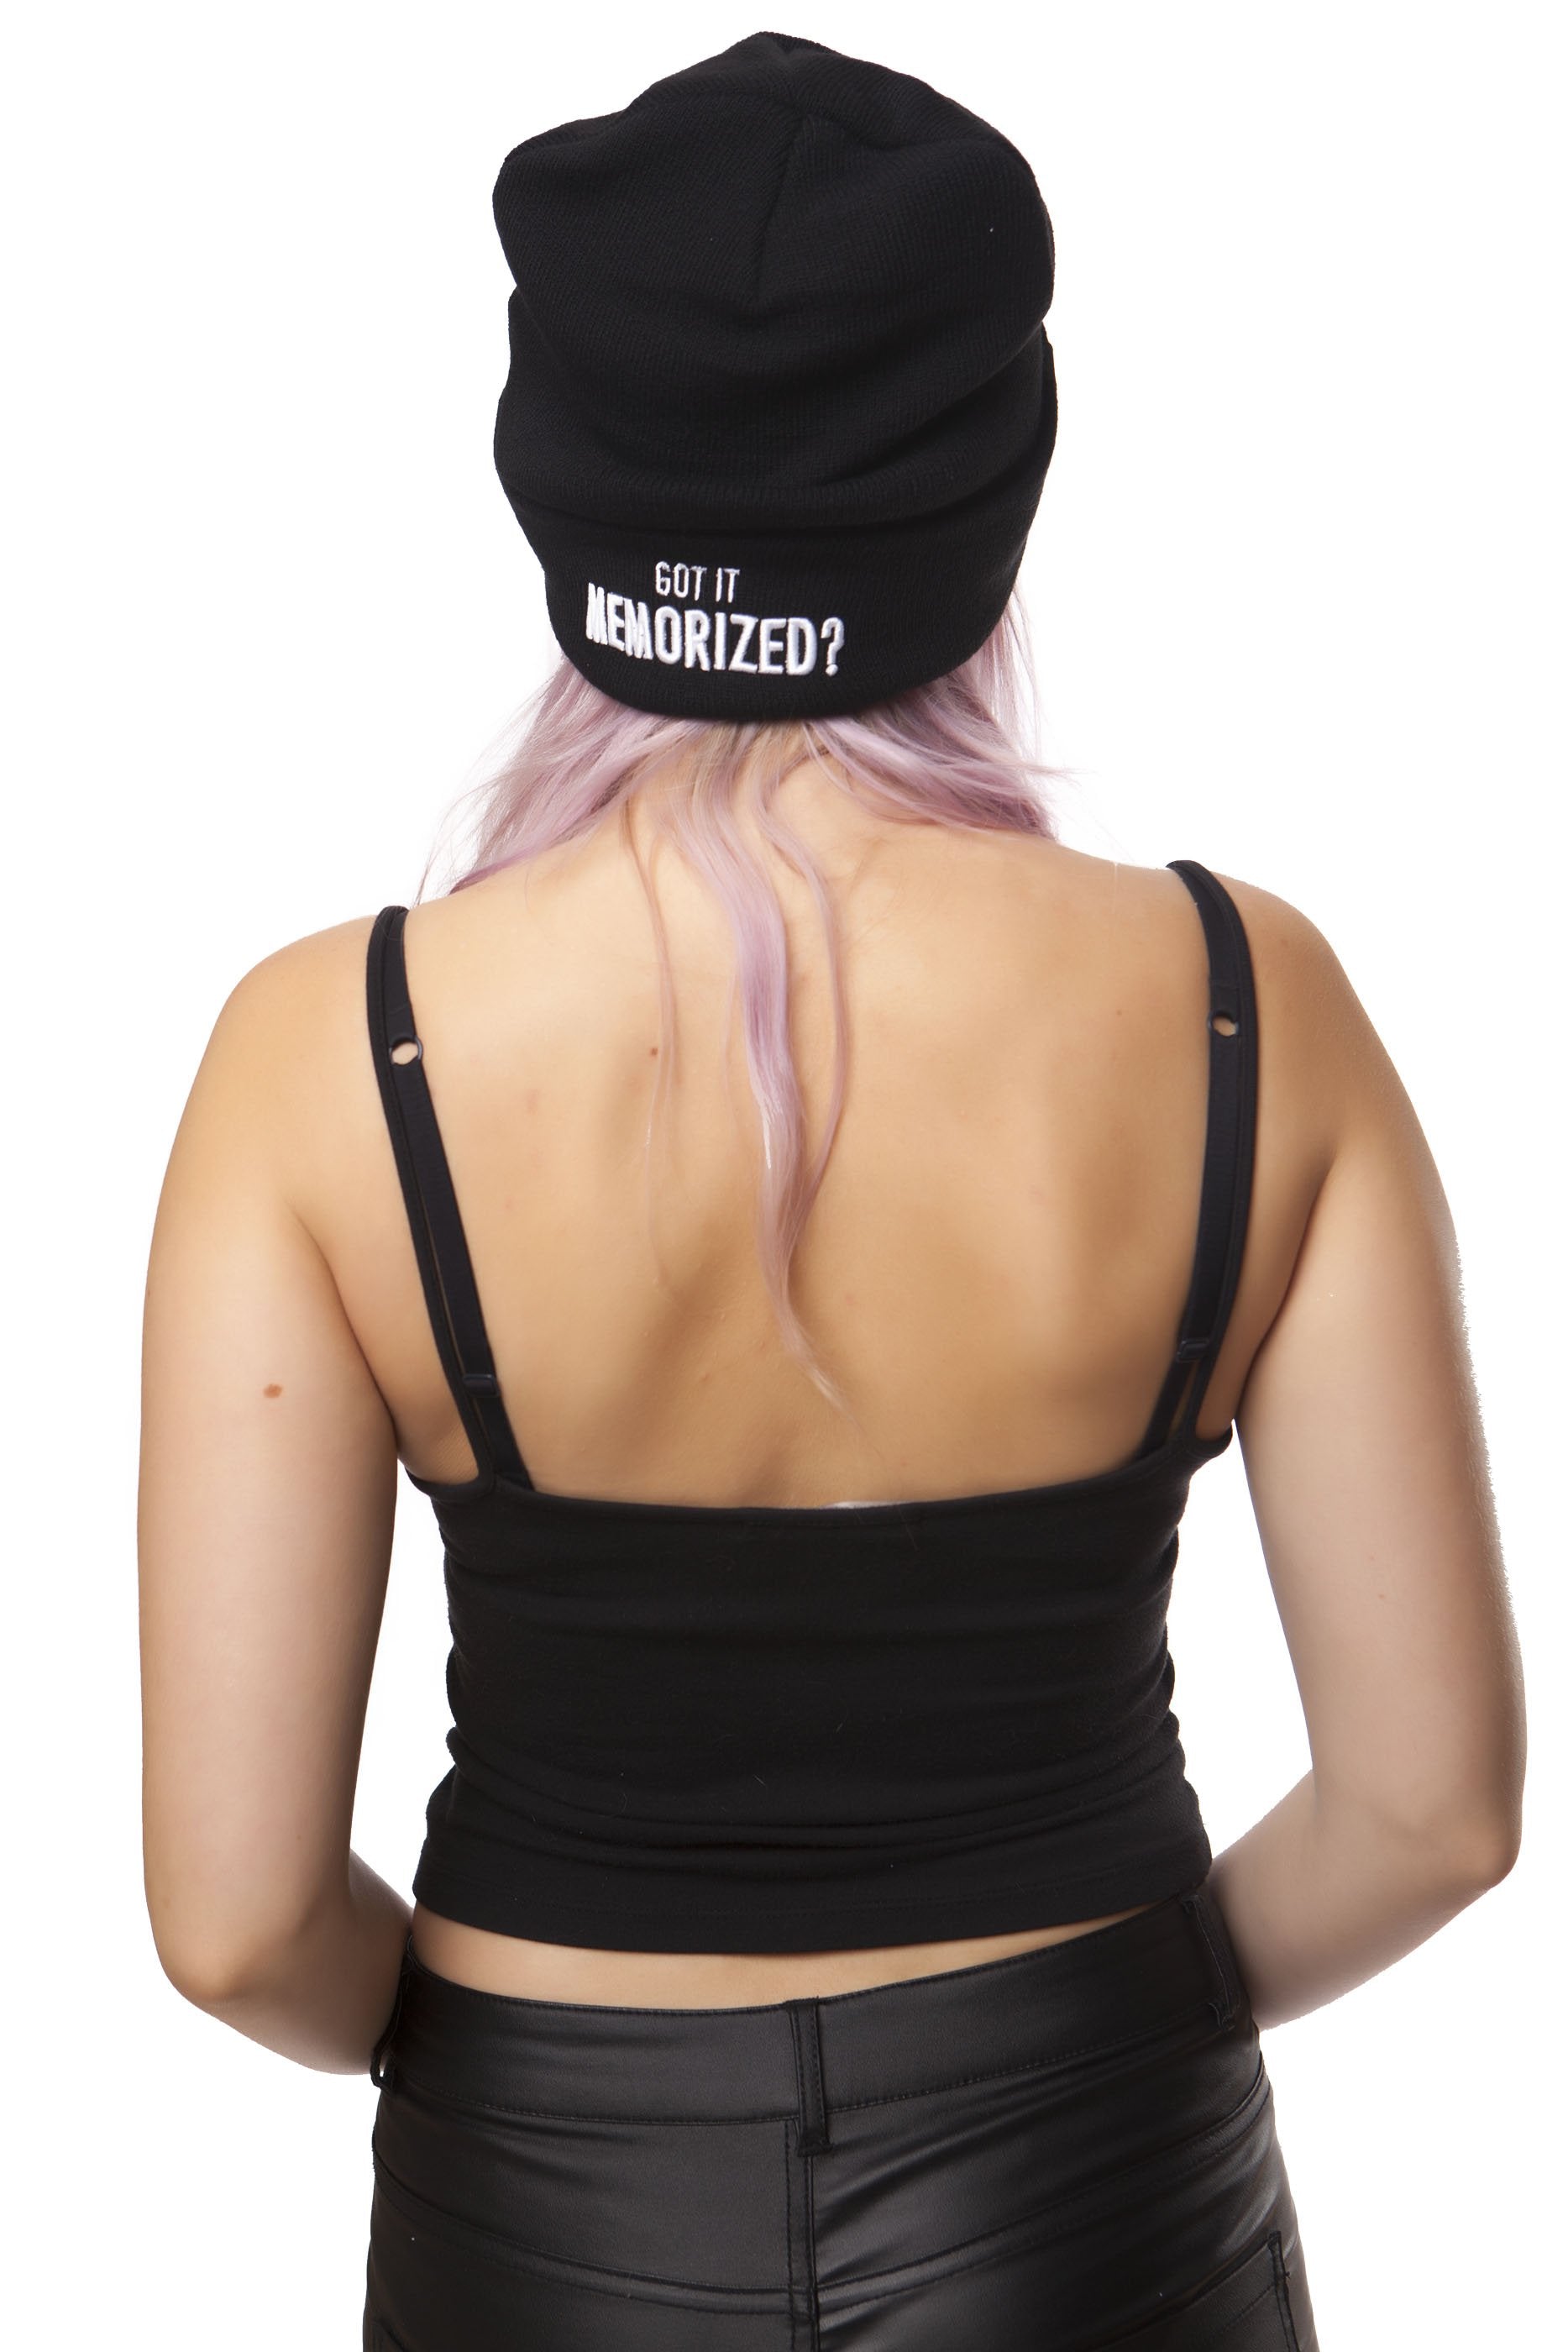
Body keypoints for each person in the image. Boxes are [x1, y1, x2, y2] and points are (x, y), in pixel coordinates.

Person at [138, 31, 1524, 2351]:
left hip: (541, 2214)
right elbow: (1430, 1815)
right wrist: (1095, 2042)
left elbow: (236, 1926)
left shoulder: (324, 1055)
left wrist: (519, 2079)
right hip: (1096, 2196)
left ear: (556, 482)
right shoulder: (1243, 1003)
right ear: (991, 490)